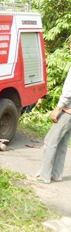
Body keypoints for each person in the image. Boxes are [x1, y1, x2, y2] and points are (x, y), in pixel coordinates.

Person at [36, 43, 71, 184]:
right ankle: (56, 174)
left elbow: (69, 91)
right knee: (62, 142)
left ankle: (44, 176)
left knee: (50, 141)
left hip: (67, 111)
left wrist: (58, 108)